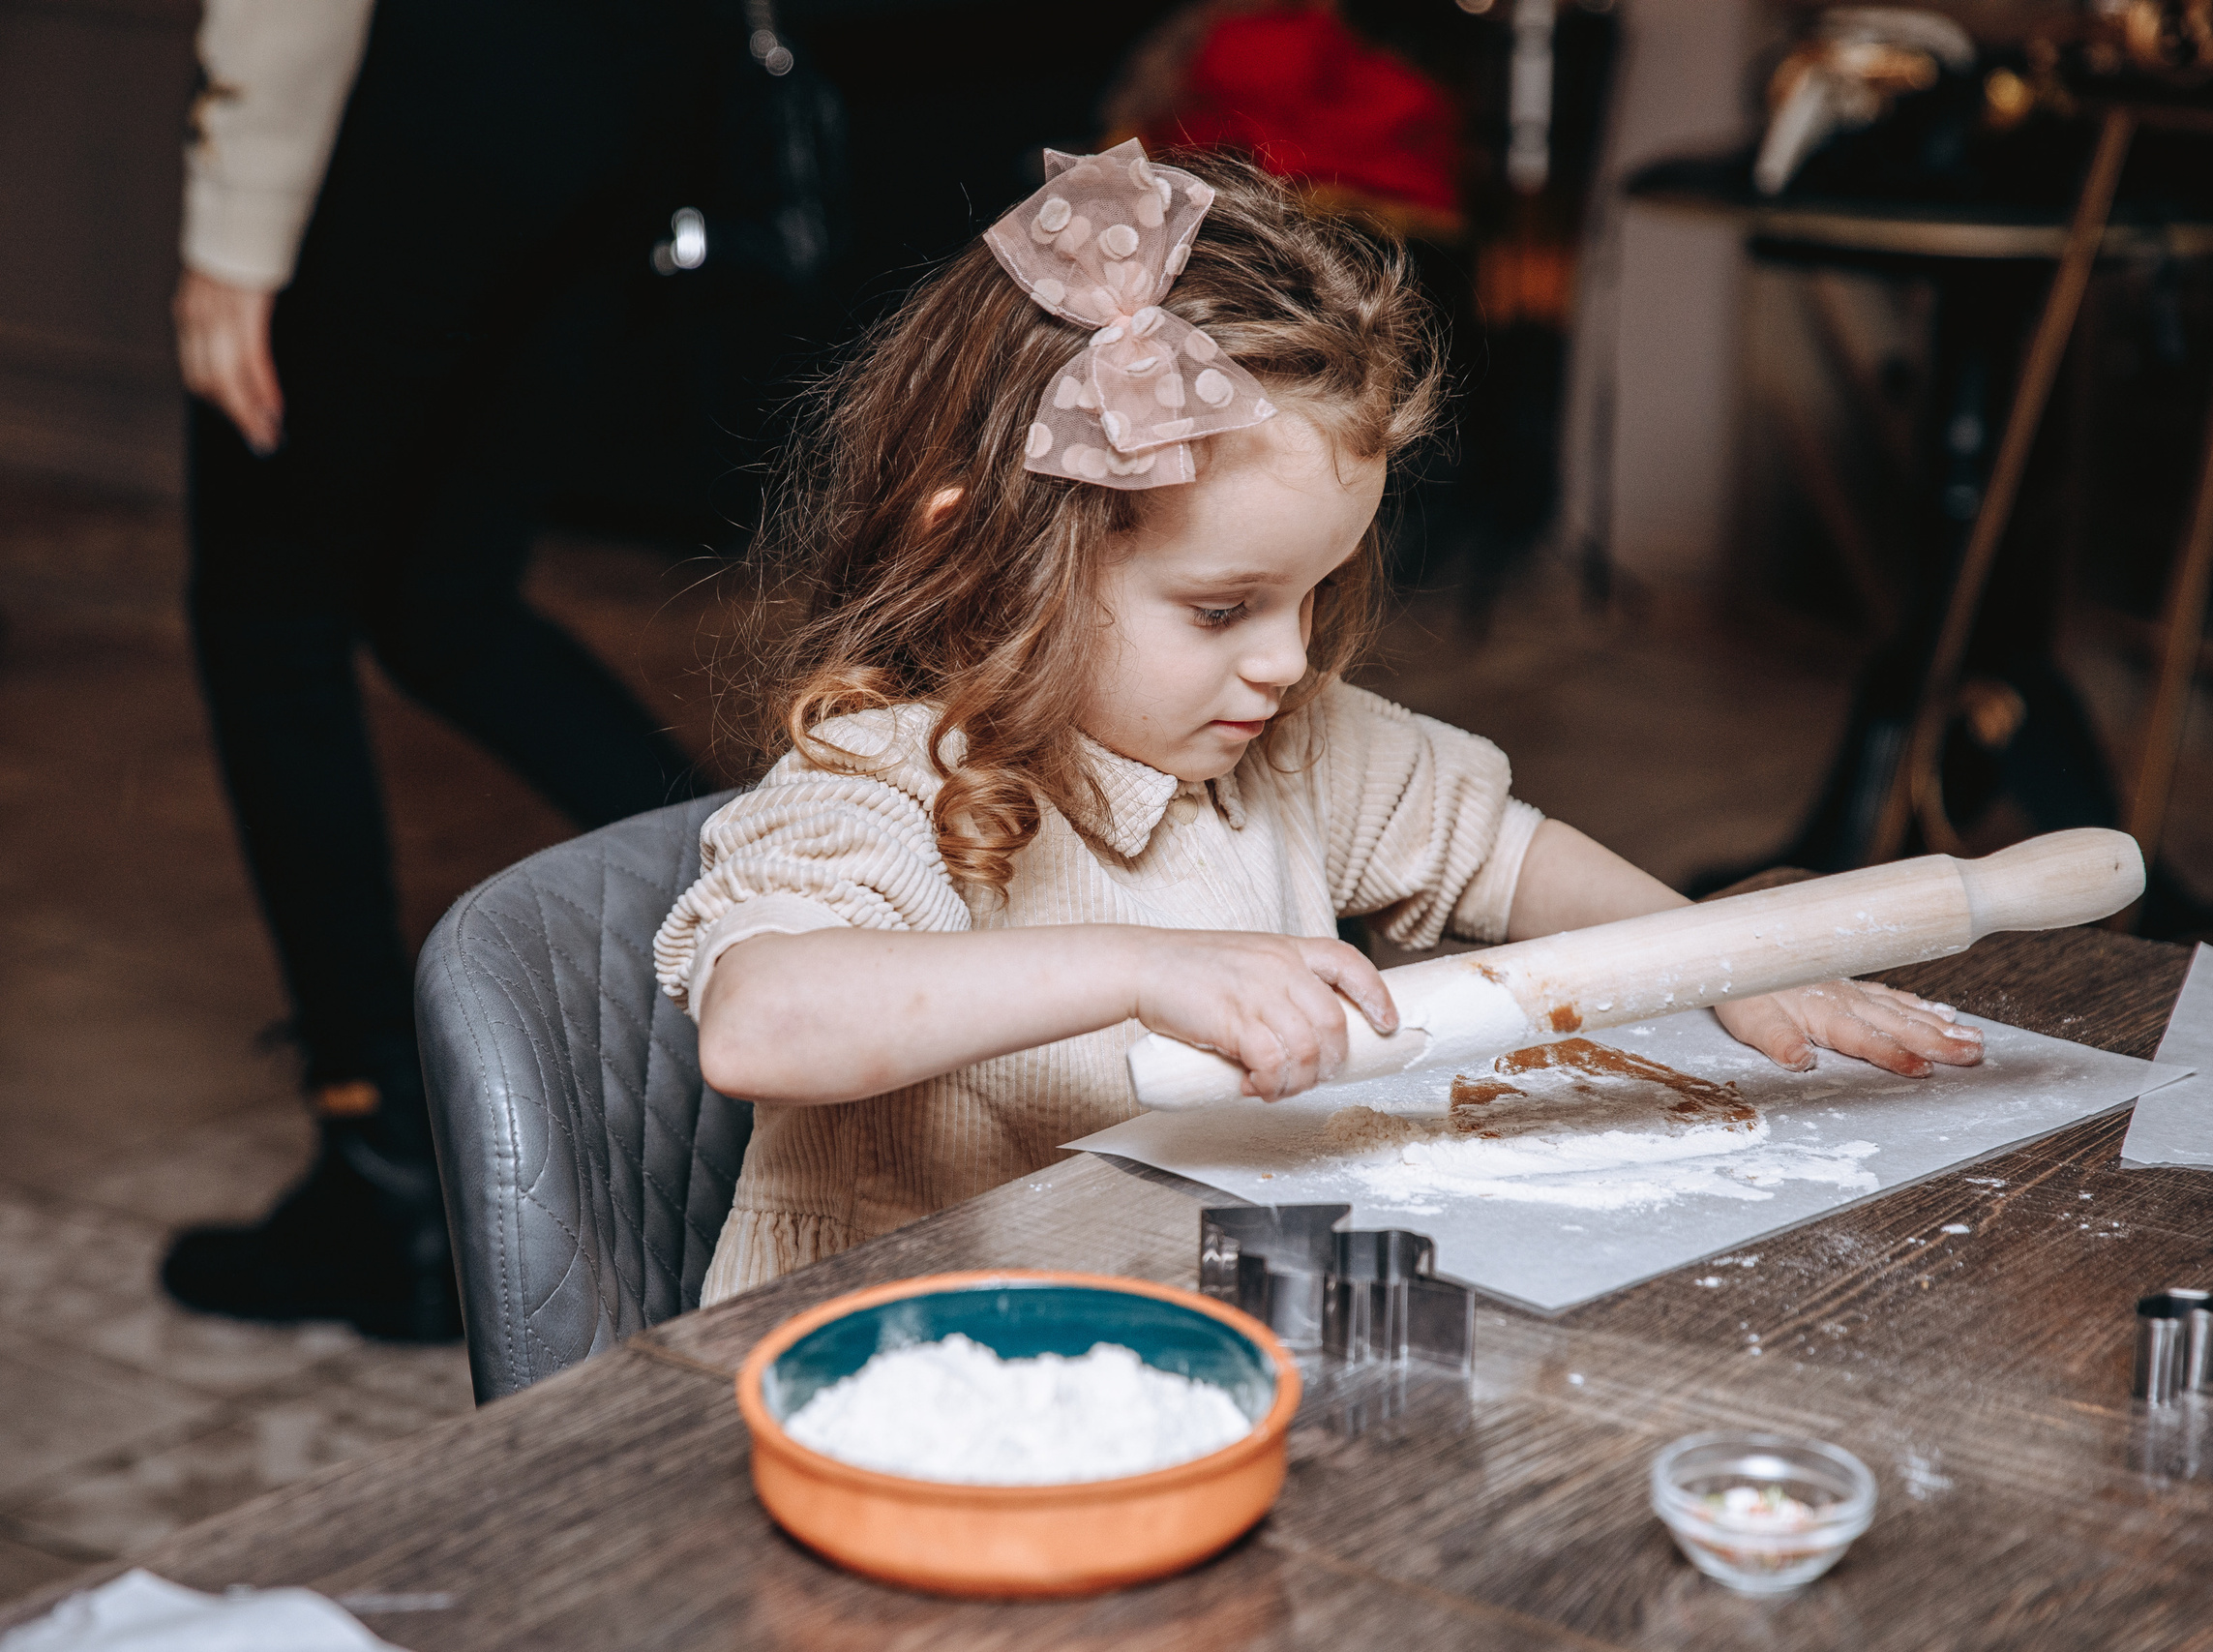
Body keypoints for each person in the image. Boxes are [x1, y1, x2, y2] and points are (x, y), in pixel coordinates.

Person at [653, 141, 1985, 1305]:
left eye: (1317, 592)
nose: (1289, 659)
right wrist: (1139, 966)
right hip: (894, 1384)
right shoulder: (890, 777)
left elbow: (1504, 855)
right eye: (1225, 608)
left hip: (1190, 1334)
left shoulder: (1280, 747)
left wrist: (1727, 960)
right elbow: (765, 1021)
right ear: (992, 565)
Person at [168, 0, 711, 1340]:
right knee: (443, 601)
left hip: (418, 102)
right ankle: (807, 907)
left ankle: (387, 1182)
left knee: (268, 615)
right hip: (620, 99)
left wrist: (236, 232)